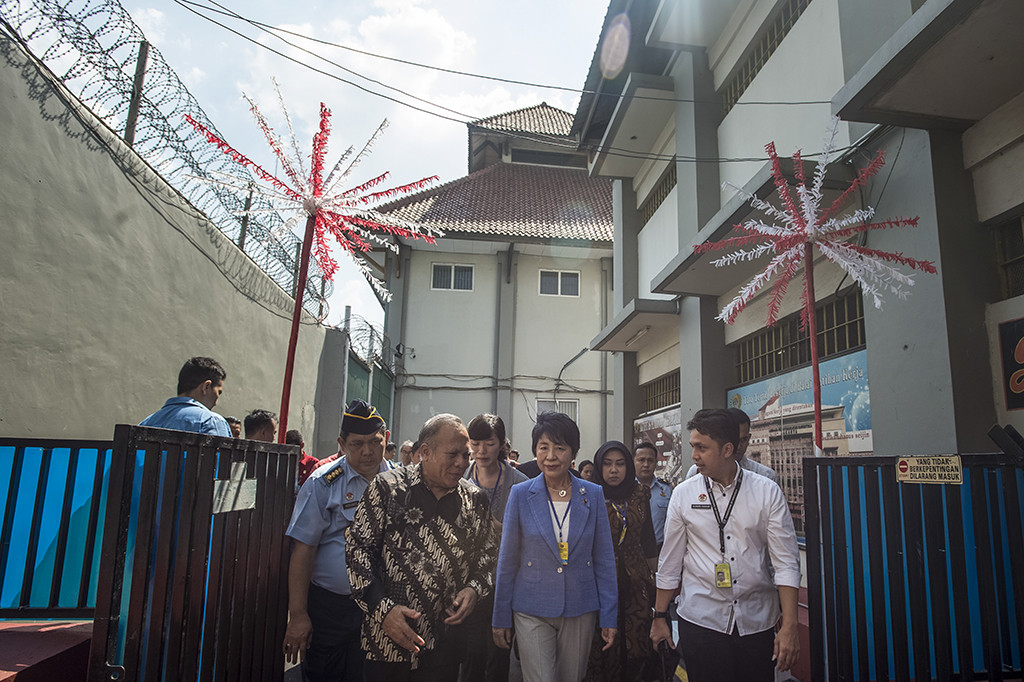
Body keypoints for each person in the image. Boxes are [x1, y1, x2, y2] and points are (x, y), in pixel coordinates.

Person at [650, 409, 801, 682]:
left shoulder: (766, 491)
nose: (694, 455)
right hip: (701, 620)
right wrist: (660, 616)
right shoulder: (684, 494)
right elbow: (670, 562)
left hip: (756, 623)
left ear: (727, 449)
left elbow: (786, 563)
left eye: (702, 447)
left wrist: (789, 626)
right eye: (693, 446)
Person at [347, 414, 498, 682]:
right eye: (452, 455)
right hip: (387, 641)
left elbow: (489, 557)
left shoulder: (475, 500)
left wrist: (474, 590)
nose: (462, 463)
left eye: (466, 455)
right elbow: (357, 552)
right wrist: (383, 610)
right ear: (426, 452)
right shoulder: (386, 489)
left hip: (446, 644)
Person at [492, 412, 618, 682]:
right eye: (543, 447)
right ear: (535, 451)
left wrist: (609, 616)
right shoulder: (521, 494)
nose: (551, 456)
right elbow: (507, 559)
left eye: (560, 448)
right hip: (530, 607)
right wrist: (500, 616)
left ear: (573, 453)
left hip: (580, 607)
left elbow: (604, 560)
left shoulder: (593, 494)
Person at [282, 400, 393, 682]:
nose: (367, 451)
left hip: (382, 607)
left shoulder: (400, 483)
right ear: (342, 444)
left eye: (375, 441)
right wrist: (298, 614)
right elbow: (303, 549)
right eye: (357, 444)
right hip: (330, 608)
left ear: (386, 437)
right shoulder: (323, 483)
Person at [460, 414, 528, 682]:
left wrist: (502, 529)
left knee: (498, 656)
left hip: (504, 581)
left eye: (489, 444)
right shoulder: (460, 477)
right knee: (470, 658)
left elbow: (530, 536)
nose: (481, 451)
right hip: (466, 581)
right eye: (475, 444)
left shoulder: (519, 483)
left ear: (501, 444)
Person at [583, 441, 658, 682]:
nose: (613, 470)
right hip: (599, 581)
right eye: (607, 464)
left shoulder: (640, 494)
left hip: (637, 581)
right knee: (602, 646)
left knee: (636, 644)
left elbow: (648, 540)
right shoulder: (587, 495)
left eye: (620, 464)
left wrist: (659, 585)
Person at [684, 407, 779, 485]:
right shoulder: (696, 473)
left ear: (749, 438)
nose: (738, 446)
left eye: (743, 439)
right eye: (735, 440)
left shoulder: (766, 477)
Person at [140, 356, 231, 437]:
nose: (216, 403)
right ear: (206, 386)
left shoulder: (146, 423)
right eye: (218, 392)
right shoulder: (211, 421)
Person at [633, 442, 672, 550]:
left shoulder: (666, 489)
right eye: (641, 460)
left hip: (659, 549)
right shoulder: (626, 489)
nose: (646, 464)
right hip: (633, 551)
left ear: (655, 463)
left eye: (650, 460)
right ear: (633, 462)